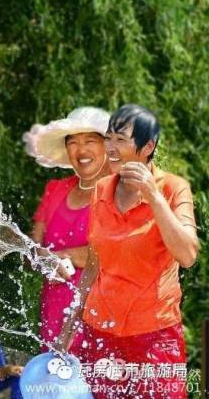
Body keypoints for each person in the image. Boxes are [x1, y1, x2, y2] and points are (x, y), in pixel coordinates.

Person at [57, 105, 199, 398]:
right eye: (108, 138)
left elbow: (187, 255)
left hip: (154, 334)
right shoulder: (100, 190)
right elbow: (95, 264)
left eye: (120, 140)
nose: (110, 147)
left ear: (148, 146)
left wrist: (153, 196)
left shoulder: (174, 189)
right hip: (102, 333)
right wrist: (71, 320)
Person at [23, 107, 110, 356]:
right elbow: (31, 251)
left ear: (107, 147)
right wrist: (43, 258)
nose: (81, 150)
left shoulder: (120, 193)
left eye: (90, 141)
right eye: (73, 142)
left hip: (102, 313)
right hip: (56, 309)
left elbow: (117, 253)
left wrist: (66, 255)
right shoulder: (55, 190)